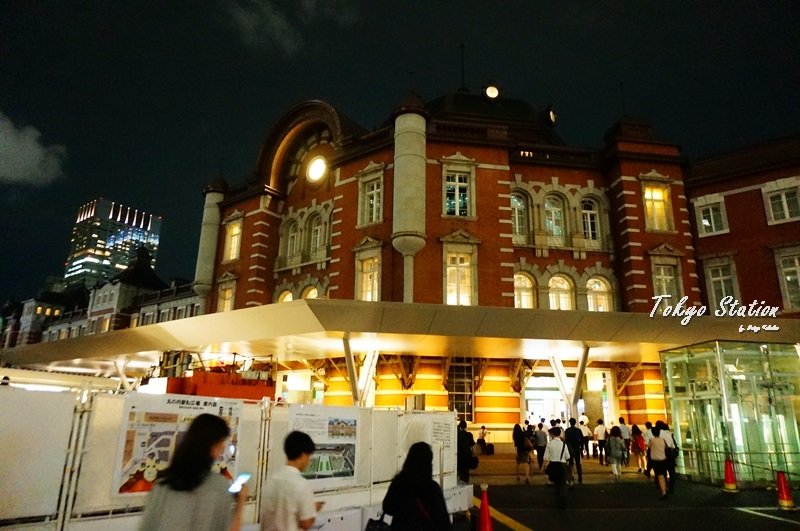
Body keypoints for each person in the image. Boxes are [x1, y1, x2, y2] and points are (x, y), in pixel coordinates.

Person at [138, 414, 247, 531]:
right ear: (212, 444)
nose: (223, 448)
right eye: (221, 442)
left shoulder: (162, 485)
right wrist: (240, 503)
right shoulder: (217, 485)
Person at [383, 441, 452, 530]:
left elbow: (387, 507)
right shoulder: (432, 488)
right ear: (428, 464)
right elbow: (442, 520)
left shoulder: (398, 483)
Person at [261, 431, 321, 531]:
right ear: (303, 455)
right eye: (309, 457)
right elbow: (305, 524)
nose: (308, 461)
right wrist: (313, 510)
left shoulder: (271, 480)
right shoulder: (302, 484)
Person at [543, 427, 571, 509]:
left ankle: (557, 500)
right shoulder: (563, 444)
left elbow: (546, 457)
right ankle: (563, 500)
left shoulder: (550, 444)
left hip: (553, 465)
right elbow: (567, 456)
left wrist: (544, 466)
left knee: (556, 484)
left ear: (552, 434)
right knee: (562, 484)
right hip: (562, 465)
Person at [648, 426, 669, 499]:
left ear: (652, 433)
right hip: (663, 459)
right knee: (663, 474)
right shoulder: (663, 440)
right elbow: (666, 447)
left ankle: (663, 492)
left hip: (656, 460)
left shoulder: (652, 440)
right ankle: (665, 488)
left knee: (660, 476)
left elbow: (649, 447)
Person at [564, 418, 584, 484]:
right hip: (576, 447)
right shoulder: (578, 430)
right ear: (575, 423)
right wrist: (581, 447)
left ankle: (571, 476)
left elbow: (566, 440)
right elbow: (582, 439)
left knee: (570, 463)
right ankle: (580, 476)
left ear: (570, 423)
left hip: (570, 448)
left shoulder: (567, 430)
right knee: (578, 463)